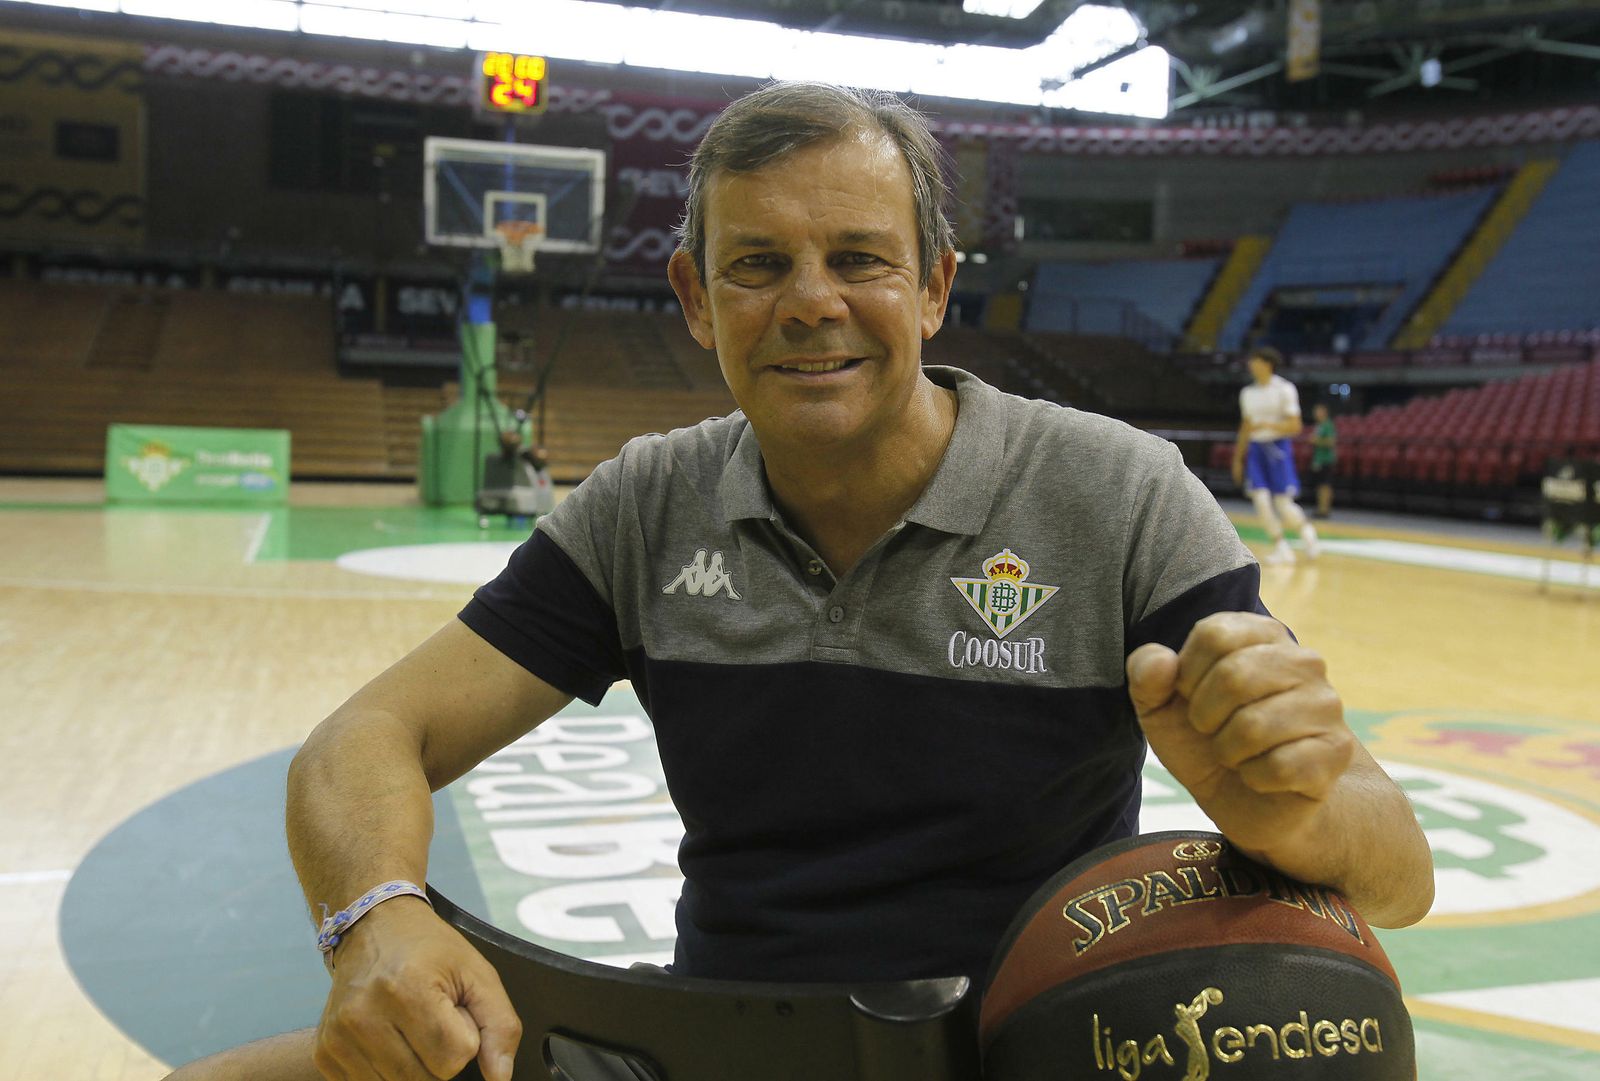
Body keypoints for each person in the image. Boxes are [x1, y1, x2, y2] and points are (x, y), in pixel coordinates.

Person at [164, 83, 1432, 1081]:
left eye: (860, 259)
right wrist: (374, 917)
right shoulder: (646, 505)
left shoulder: (1114, 492)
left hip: (1029, 1048)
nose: (810, 302)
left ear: (934, 285)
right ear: (696, 300)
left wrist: (1289, 809)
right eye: (758, 264)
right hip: (706, 1044)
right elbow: (362, 738)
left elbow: (1396, 875)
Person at [1231, 346, 1320, 564]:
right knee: (1260, 500)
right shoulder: (1248, 393)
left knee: (1283, 504)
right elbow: (1246, 426)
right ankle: (1281, 546)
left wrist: (1267, 425)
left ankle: (1307, 532)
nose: (1251, 365)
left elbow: (1295, 425)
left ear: (1267, 364)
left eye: (1255, 361)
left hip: (1278, 449)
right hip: (1256, 450)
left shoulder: (1284, 389)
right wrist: (1237, 458)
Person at [1308, 402, 1337, 518]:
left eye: (1318, 410)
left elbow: (1331, 442)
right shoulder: (1319, 425)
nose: (1315, 413)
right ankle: (1320, 508)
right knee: (1320, 485)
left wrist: (1316, 441)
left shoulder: (1328, 425)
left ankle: (1325, 509)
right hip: (1318, 459)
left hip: (1326, 460)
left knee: (1325, 485)